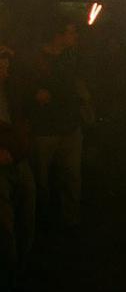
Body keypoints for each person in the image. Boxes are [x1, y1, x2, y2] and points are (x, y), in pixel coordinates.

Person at [29, 17, 86, 229]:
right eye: (71, 32)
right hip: (46, 128)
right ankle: (42, 222)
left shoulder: (72, 57)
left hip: (69, 126)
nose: (75, 36)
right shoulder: (38, 59)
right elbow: (31, 89)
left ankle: (69, 220)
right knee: (42, 179)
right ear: (58, 35)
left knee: (72, 177)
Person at [0, 47, 38, 292]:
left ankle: (14, 285)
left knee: (25, 224)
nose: (6, 66)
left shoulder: (10, 89)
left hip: (19, 160)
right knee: (5, 233)